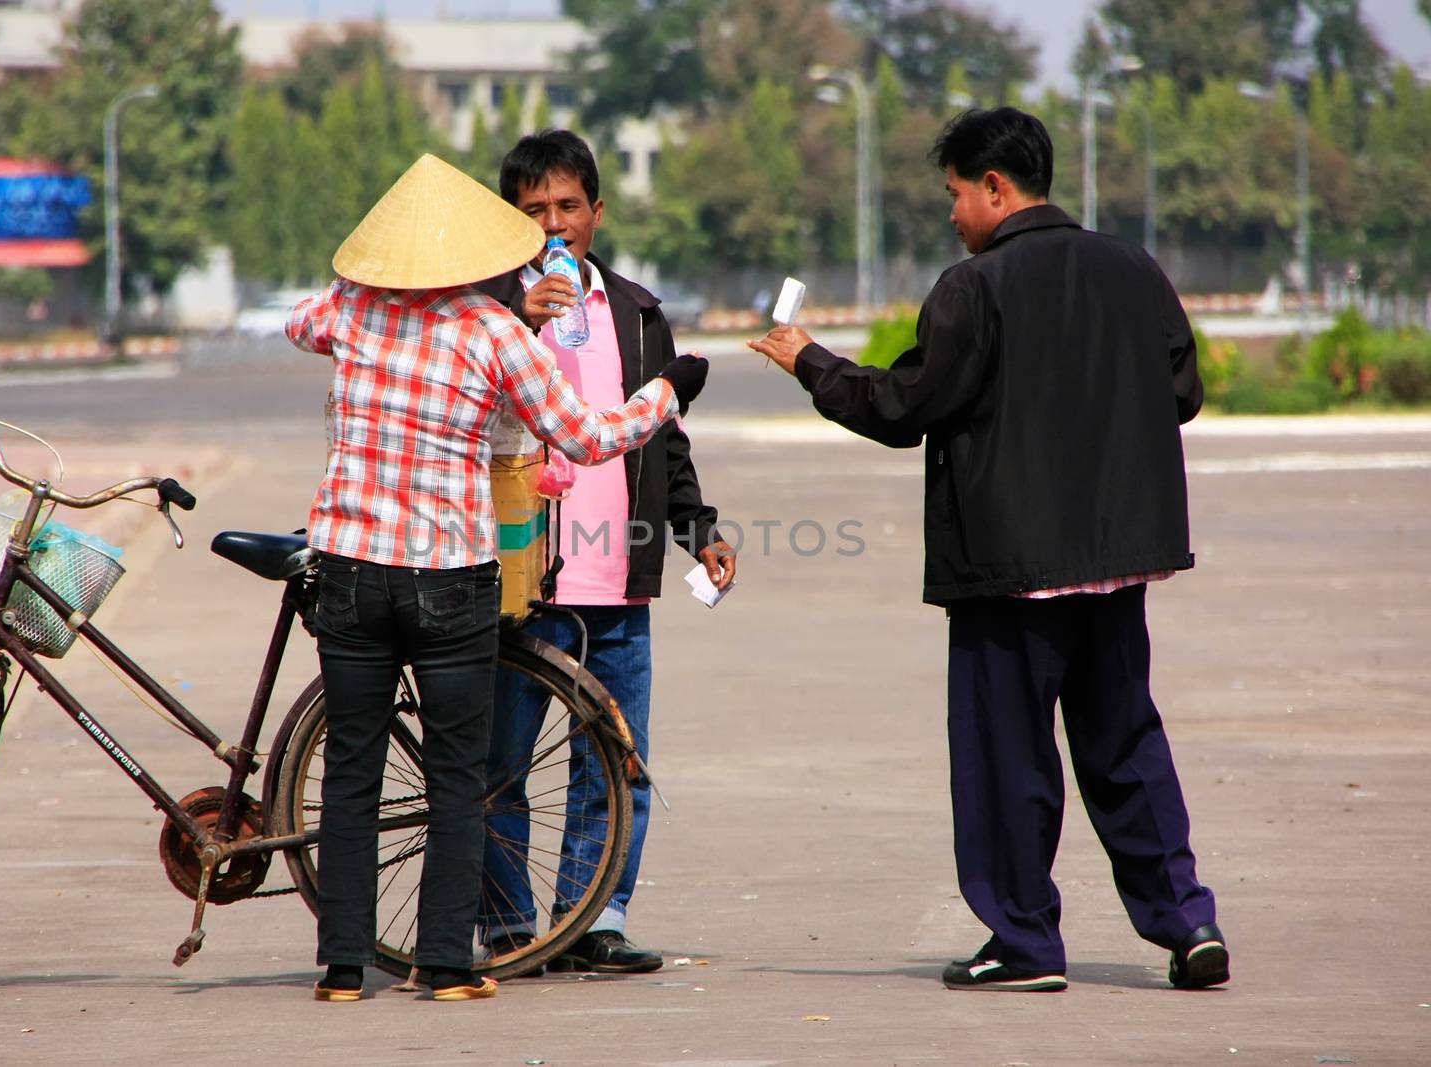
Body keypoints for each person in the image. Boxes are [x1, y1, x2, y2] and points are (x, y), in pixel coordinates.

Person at [748, 107, 1228, 993]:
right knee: (1125, 742)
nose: (954, 215)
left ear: (996, 187)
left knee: (1009, 755)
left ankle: (1024, 940)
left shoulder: (974, 287)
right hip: (1119, 558)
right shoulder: (1134, 268)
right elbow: (1182, 394)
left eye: (956, 195)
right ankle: (1188, 919)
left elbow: (905, 405)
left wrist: (810, 360)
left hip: (1009, 567)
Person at [285, 153, 710, 1003]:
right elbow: (587, 437)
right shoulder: (493, 331)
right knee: (454, 772)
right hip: (448, 574)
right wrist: (666, 392)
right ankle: (446, 964)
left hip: (353, 571)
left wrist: (355, 313)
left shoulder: (354, 309)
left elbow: (300, 321)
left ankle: (341, 968)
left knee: (352, 768)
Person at [472, 129, 735, 975]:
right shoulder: (482, 312)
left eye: (569, 205)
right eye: (535, 208)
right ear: (510, 220)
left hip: (617, 576)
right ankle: (511, 928)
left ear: (597, 210)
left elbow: (665, 432)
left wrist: (700, 529)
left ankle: (594, 918)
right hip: (520, 576)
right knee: (501, 764)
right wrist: (517, 317)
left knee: (614, 761)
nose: (555, 221)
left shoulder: (636, 310)